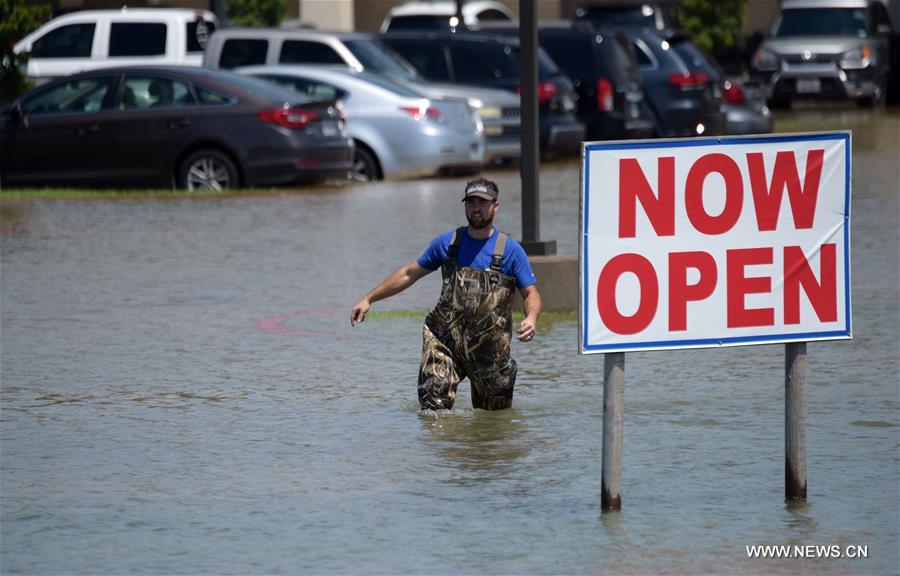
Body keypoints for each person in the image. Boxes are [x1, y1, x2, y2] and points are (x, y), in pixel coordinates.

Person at [351, 177, 542, 411]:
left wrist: (531, 318)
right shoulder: (448, 243)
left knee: (493, 421)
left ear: (495, 206)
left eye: (482, 202)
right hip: (444, 342)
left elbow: (531, 294)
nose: (476, 208)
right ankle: (441, 446)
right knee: (434, 409)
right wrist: (369, 298)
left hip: (490, 351)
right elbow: (409, 274)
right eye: (471, 202)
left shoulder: (511, 251)